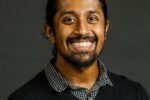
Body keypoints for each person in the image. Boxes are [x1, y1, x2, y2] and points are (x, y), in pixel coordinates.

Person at [8, 0, 150, 100]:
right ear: (50, 32)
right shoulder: (23, 98)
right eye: (69, 20)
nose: (82, 30)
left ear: (105, 28)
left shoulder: (134, 94)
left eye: (92, 18)